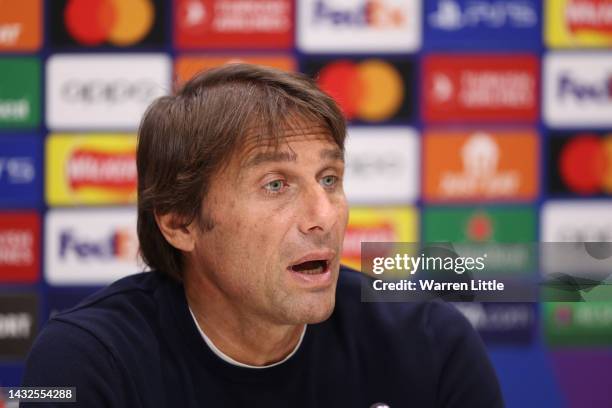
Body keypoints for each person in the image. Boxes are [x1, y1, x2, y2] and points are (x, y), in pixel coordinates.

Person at [22, 64, 503, 407]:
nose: (323, 216)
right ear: (178, 221)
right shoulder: (83, 359)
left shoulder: (433, 341)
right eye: (276, 185)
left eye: (330, 179)